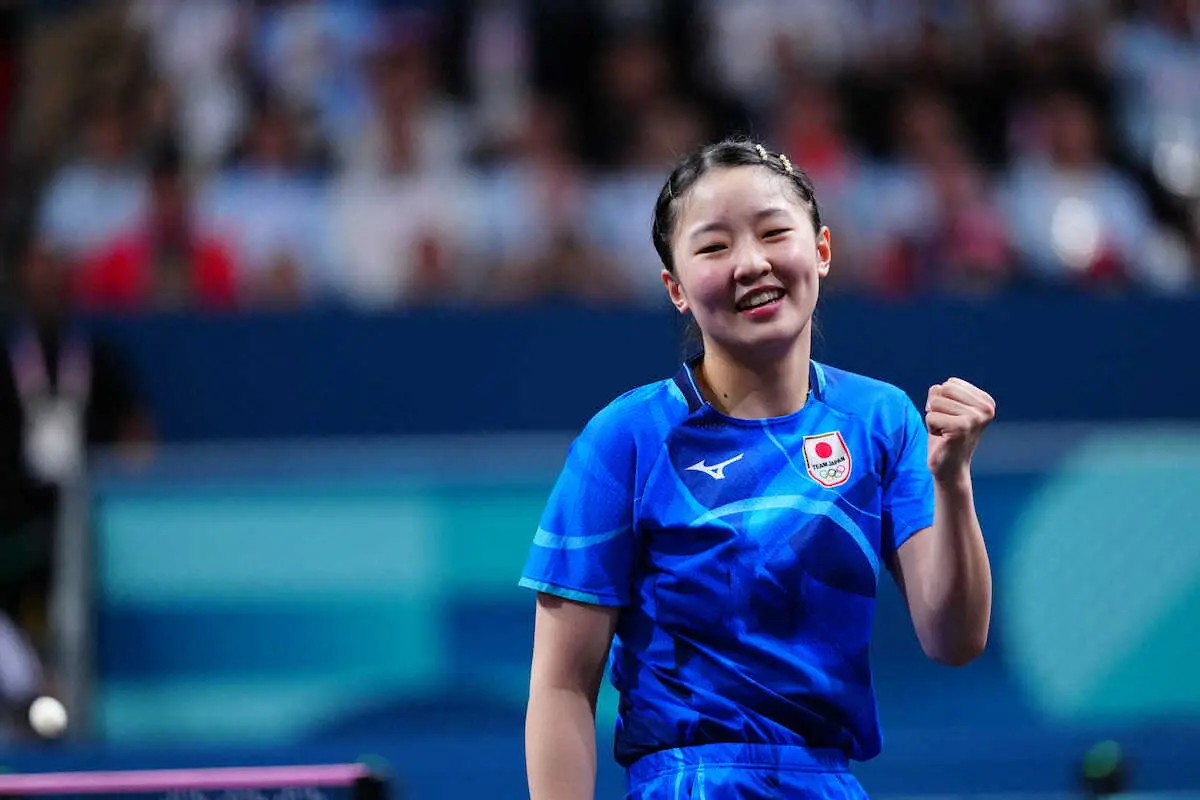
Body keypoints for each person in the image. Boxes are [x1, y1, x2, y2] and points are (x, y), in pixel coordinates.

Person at [520, 138, 995, 799]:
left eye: (773, 233)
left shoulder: (880, 419)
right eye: (714, 246)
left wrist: (953, 481)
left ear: (821, 250)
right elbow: (563, 686)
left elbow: (955, 639)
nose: (751, 263)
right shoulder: (626, 438)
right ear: (676, 288)